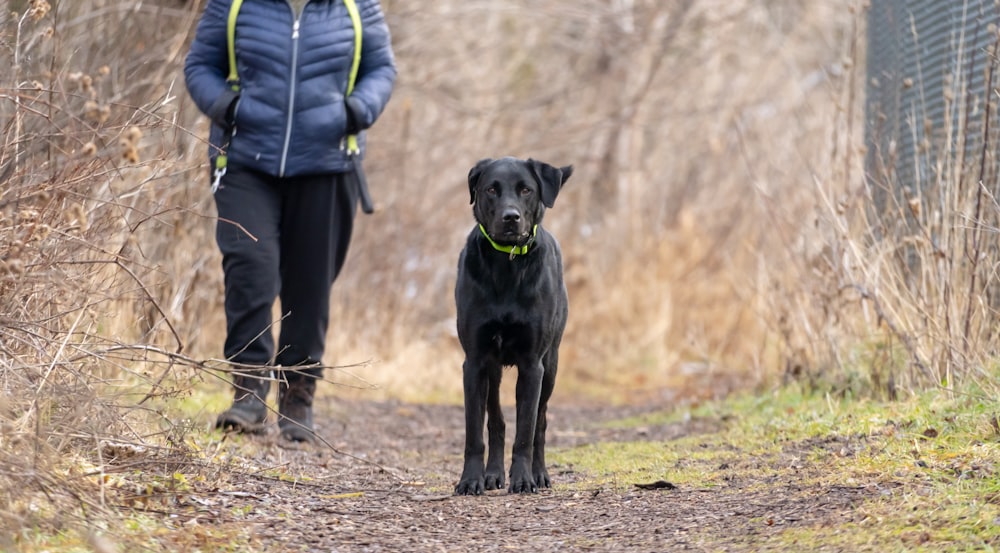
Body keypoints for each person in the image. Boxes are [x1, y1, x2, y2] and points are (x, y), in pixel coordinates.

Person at [184, 0, 396, 442]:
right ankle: (248, 393)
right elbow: (200, 65)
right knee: (250, 264)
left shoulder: (357, 8)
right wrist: (230, 107)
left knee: (310, 284)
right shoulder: (235, 4)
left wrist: (356, 112)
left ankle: (298, 396)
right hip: (245, 161)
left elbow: (381, 69)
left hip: (327, 164)